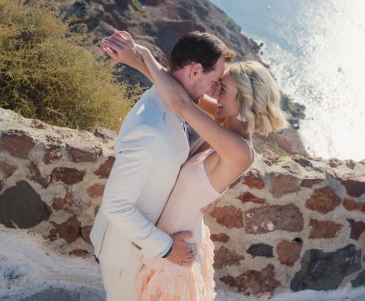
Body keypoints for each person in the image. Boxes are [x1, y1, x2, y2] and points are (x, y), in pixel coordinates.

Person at [101, 30, 288, 301]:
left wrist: (146, 55)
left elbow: (179, 103)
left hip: (173, 252)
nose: (215, 94)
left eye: (223, 90)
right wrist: (134, 57)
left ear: (244, 100)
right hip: (171, 240)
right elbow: (179, 91)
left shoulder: (239, 150)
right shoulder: (226, 124)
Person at [90, 31, 235, 301]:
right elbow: (116, 206)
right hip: (127, 255)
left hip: (145, 251)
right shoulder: (150, 130)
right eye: (214, 81)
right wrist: (168, 248)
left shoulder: (171, 102)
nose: (214, 92)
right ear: (195, 71)